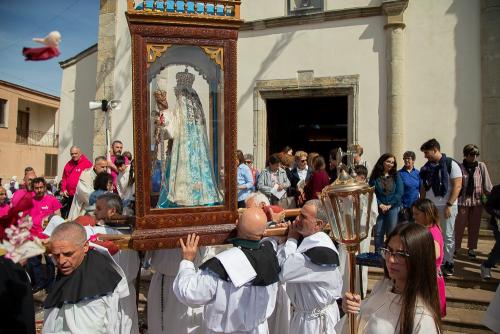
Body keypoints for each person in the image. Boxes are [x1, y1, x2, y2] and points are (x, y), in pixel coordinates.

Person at [173, 207, 280, 333]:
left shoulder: (223, 264)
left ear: (236, 224)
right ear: (263, 231)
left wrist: (187, 261)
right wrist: (275, 226)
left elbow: (190, 293)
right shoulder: (271, 255)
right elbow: (270, 242)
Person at [338, 223, 442, 334]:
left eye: (401, 254)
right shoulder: (382, 286)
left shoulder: (423, 319)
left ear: (419, 259)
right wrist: (353, 310)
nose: (391, 260)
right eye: (388, 251)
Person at [43, 222, 133, 333]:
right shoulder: (76, 262)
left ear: (85, 247)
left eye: (68, 254)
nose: (61, 261)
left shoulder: (93, 284)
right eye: (56, 255)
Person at [157, 69, 222, 208]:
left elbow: (172, 130)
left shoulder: (181, 105)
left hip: (183, 150)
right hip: (197, 151)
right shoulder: (196, 105)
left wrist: (164, 113)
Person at [278, 199, 342, 333]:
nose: (297, 219)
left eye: (303, 217)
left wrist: (291, 239)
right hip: (305, 316)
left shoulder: (319, 251)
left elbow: (283, 271)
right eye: (299, 214)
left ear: (318, 224)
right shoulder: (313, 242)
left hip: (314, 323)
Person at [94, 193, 140, 334]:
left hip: (120, 296)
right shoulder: (134, 234)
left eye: (99, 208)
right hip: (110, 296)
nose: (95, 212)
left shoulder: (99, 232)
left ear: (112, 211)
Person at [420, 138, 462, 276]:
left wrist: (449, 204)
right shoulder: (426, 167)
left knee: (448, 235)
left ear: (435, 150)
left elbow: (457, 185)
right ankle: (434, 261)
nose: (425, 156)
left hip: (447, 205)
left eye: (427, 153)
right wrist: (422, 203)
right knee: (431, 235)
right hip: (431, 206)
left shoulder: (451, 164)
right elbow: (423, 187)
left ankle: (448, 263)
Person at [455, 144, 492, 258]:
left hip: (477, 201)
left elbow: (487, 185)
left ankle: (471, 249)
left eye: (476, 154)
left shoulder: (481, 166)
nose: (474, 157)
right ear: (465, 155)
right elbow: (456, 185)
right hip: (463, 201)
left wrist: (491, 198)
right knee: (459, 226)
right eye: (471, 154)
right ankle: (456, 248)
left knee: (474, 226)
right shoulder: (459, 167)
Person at [412, 198, 446, 316]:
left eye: (417, 214)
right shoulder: (430, 229)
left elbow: (435, 254)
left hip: (430, 278)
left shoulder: (432, 232)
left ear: (426, 214)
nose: (414, 217)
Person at [369, 153, 403, 253]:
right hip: (379, 208)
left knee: (391, 233)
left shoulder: (396, 175)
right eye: (388, 161)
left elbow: (399, 192)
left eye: (392, 162)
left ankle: (390, 254)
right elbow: (372, 192)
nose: (390, 164)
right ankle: (378, 255)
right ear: (382, 162)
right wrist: (380, 204)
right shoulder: (375, 176)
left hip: (393, 208)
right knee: (378, 233)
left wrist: (389, 205)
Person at [60, 146, 93, 218]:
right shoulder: (68, 164)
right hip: (70, 195)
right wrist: (64, 189)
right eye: (72, 154)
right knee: (69, 216)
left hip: (81, 197)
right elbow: (64, 178)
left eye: (76, 153)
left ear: (80, 153)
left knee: (79, 216)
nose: (74, 155)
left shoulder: (87, 163)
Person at [481, 184, 500, 279]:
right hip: (498, 224)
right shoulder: (497, 189)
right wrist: (498, 213)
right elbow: (489, 206)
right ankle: (487, 266)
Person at [398, 151, 420, 223]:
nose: (406, 160)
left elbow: (422, 189)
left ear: (413, 160)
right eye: (404, 158)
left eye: (408, 158)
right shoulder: (399, 173)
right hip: (404, 207)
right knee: (404, 229)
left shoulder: (418, 173)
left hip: (416, 206)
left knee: (414, 229)